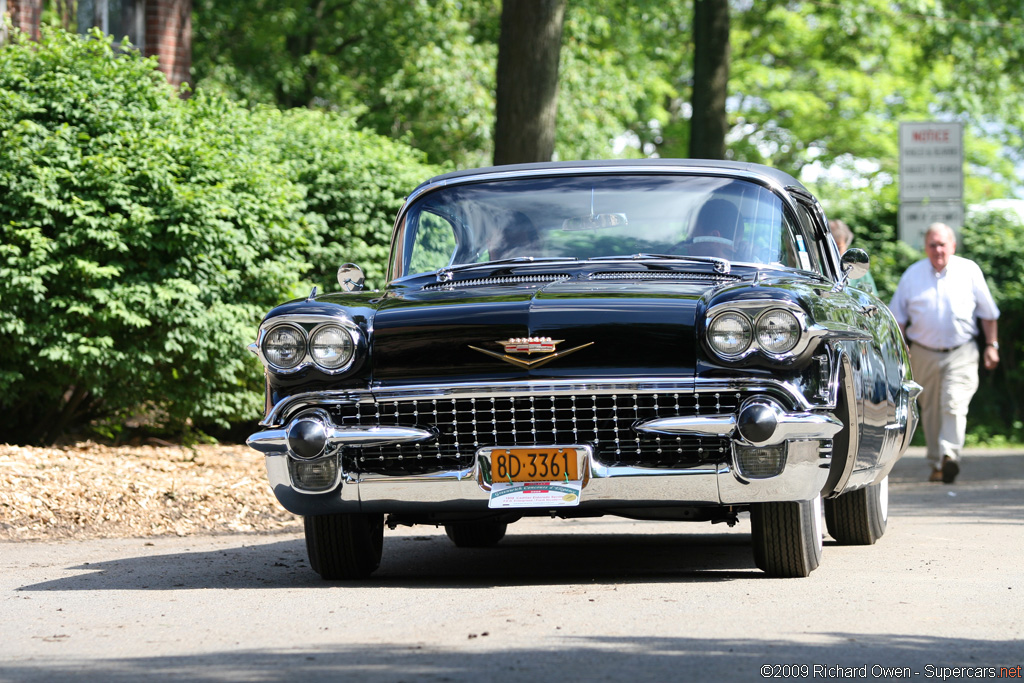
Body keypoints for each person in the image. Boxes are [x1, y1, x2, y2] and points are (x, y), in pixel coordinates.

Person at [888, 222, 1000, 483]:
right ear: (925, 247)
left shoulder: (968, 270)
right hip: (923, 352)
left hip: (961, 351)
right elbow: (897, 317)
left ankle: (949, 455)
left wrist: (992, 346)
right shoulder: (912, 275)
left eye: (942, 244)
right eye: (932, 244)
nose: (938, 249)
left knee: (954, 403)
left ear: (953, 246)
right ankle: (937, 463)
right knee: (930, 410)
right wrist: (901, 349)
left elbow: (989, 313)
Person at [829, 219, 877, 293]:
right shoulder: (815, 267)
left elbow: (871, 298)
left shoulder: (857, 269)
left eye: (838, 248)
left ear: (847, 246)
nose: (833, 253)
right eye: (828, 248)